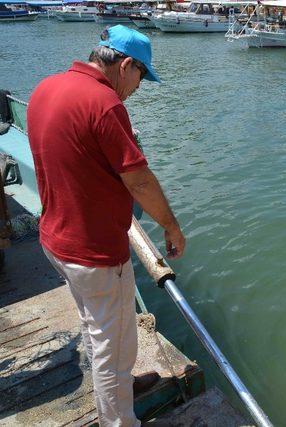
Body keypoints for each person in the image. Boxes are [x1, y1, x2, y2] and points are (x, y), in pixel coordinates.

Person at [26, 25, 186, 426]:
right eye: (141, 76)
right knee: (112, 349)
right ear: (126, 65)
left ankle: (120, 387)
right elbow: (140, 180)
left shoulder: (47, 87)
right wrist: (171, 226)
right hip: (94, 252)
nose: (139, 87)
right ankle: (118, 418)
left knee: (98, 331)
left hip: (55, 239)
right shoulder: (105, 103)